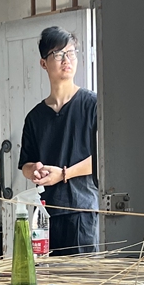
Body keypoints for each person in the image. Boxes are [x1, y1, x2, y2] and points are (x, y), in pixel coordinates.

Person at [18, 26, 99, 256]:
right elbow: (25, 164)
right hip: (44, 214)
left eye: (71, 52)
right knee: (48, 282)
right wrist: (32, 169)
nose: (67, 59)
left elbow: (103, 158)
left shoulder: (92, 105)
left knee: (82, 282)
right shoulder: (35, 117)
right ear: (44, 63)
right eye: (58, 54)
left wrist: (64, 174)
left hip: (81, 210)